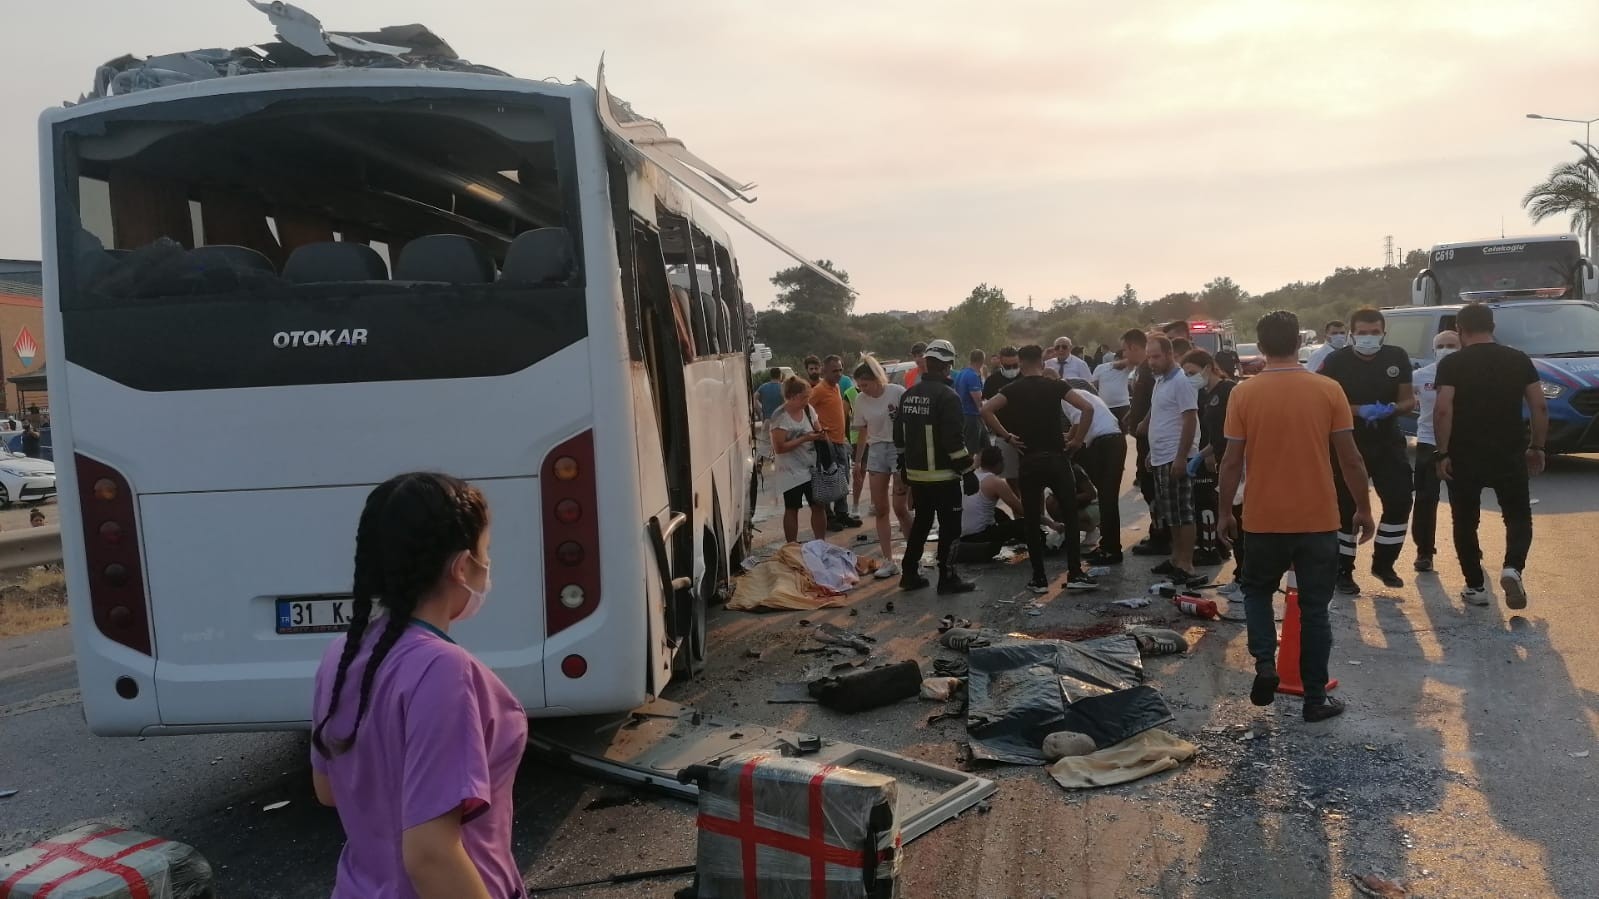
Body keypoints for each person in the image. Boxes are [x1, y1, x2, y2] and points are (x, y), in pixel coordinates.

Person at [311, 472, 526, 898]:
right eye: (485, 552)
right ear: (462, 567)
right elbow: (431, 856)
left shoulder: (342, 653)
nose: (487, 565)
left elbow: (329, 790)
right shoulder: (445, 670)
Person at [1218, 311, 1374, 723]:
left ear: (1262, 345)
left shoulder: (1243, 394)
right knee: (1315, 609)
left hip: (1262, 518)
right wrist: (1363, 507)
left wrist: (1223, 513)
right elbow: (1350, 458)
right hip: (1319, 518)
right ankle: (1314, 698)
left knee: (1255, 591)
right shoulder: (1327, 389)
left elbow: (1231, 461)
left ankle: (1266, 663)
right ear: (1298, 343)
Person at [1434, 302, 1547, 609]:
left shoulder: (1453, 364)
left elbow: (1444, 409)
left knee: (1465, 520)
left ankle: (1475, 587)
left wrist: (1442, 452)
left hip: (1464, 453)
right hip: (1509, 452)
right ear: (1493, 327)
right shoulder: (1518, 359)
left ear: (1460, 329)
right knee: (1518, 516)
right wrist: (1537, 446)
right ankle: (1513, 567)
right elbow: (1539, 406)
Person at [981, 344, 1099, 594]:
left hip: (1030, 460)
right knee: (1068, 511)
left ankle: (1039, 578)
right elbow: (1088, 408)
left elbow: (986, 410)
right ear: (1042, 363)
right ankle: (1075, 572)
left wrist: (1007, 436)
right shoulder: (1056, 386)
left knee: (1032, 519)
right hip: (1057, 458)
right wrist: (1077, 441)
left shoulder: (1012, 389)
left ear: (1022, 364)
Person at [1319, 307, 1415, 593]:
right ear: (1352, 334)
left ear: (1384, 334)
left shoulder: (1397, 357)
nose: (1369, 338)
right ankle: (1343, 571)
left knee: (1399, 500)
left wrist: (1392, 409)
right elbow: (1325, 405)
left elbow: (1409, 401)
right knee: (1346, 508)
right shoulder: (1335, 361)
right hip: (1347, 441)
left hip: (1387, 439)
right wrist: (1360, 410)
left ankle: (1384, 564)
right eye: (1362, 333)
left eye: (1375, 333)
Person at [895, 339, 976, 594]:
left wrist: (903, 467)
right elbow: (954, 441)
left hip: (917, 477)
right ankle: (948, 578)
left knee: (922, 523)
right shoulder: (948, 397)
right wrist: (968, 471)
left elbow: (899, 436)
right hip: (944, 477)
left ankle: (909, 573)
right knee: (951, 528)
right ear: (946, 366)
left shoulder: (908, 395)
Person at [1138, 336, 1204, 587]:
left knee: (1183, 512)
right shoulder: (1160, 383)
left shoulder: (1180, 382)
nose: (1151, 361)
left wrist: (1180, 457)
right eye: (1149, 357)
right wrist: (1151, 454)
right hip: (1161, 456)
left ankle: (1186, 565)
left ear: (1169, 354)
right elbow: (1161, 419)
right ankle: (1176, 559)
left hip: (1177, 457)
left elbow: (1190, 420)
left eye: (1155, 356)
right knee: (1171, 513)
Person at [851, 359, 912, 579]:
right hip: (876, 451)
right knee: (881, 509)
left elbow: (911, 423)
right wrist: (858, 461)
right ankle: (888, 560)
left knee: (901, 508)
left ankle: (913, 557)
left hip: (899, 449)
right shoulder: (860, 400)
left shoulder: (897, 392)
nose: (861, 389)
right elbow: (862, 432)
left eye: (865, 384)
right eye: (859, 385)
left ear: (876, 380)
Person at [1408, 330, 1460, 574]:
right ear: (1433, 349)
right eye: (1441, 345)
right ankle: (1424, 552)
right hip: (1428, 442)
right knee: (1426, 499)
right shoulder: (1419, 377)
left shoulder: (1469, 375)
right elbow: (1405, 401)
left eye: (1452, 345)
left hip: (1460, 444)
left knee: (1463, 501)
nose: (1446, 349)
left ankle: (1469, 548)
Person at [1063, 378, 1127, 564]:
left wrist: (1074, 442)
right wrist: (1070, 437)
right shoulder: (1082, 394)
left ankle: (1112, 551)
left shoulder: (1066, 397)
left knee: (1108, 499)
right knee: (1106, 498)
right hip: (1111, 440)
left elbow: (1082, 417)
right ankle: (1107, 545)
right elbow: (1077, 424)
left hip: (1106, 443)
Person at [1183, 350, 1235, 568]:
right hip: (1212, 453)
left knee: (1212, 504)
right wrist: (1203, 453)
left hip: (1230, 459)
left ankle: (1212, 549)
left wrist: (1209, 454)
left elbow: (1230, 433)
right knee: (1209, 502)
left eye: (1191, 372)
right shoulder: (1205, 393)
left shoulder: (1228, 390)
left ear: (1207, 367)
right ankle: (1218, 547)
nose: (1188, 378)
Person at [1121, 330, 1167, 556]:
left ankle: (1161, 536)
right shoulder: (1142, 370)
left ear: (1132, 347)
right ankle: (1158, 530)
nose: (1123, 354)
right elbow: (1144, 398)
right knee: (1148, 486)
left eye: (1124, 349)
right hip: (1143, 436)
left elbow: (1159, 399)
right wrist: (1132, 413)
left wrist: (1146, 421)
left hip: (1152, 437)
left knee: (1153, 488)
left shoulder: (1151, 370)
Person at [769, 376, 830, 543]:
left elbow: (816, 429)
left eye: (807, 396)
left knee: (818, 505)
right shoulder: (780, 416)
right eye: (804, 397)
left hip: (811, 466)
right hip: (789, 470)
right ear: (792, 396)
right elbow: (779, 448)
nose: (807, 400)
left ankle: (820, 542)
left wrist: (821, 434)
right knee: (792, 507)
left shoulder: (808, 409)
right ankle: (792, 545)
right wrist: (805, 439)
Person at [812, 355, 862, 530]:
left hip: (840, 442)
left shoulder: (836, 387)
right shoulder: (819, 390)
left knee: (842, 480)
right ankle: (829, 517)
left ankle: (842, 513)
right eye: (835, 371)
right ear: (824, 371)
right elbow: (807, 409)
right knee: (828, 480)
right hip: (826, 443)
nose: (839, 374)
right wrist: (818, 432)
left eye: (841, 370)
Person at [958, 445, 1031, 560]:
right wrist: (1050, 523)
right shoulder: (995, 482)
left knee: (997, 512)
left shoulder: (972, 476)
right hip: (979, 538)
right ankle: (1045, 542)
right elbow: (1022, 511)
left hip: (961, 536)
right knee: (1020, 524)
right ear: (999, 463)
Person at [981, 347, 1024, 488]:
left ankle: (1037, 510)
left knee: (1034, 478)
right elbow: (986, 407)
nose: (1012, 369)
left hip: (1027, 434)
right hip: (1004, 435)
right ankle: (1019, 509)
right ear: (1000, 362)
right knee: (1011, 477)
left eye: (1015, 365)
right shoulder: (992, 381)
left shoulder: (1025, 377)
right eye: (1007, 366)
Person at [953, 349, 989, 455]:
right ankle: (972, 470)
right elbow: (978, 400)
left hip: (964, 413)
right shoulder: (972, 376)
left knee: (986, 446)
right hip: (972, 416)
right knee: (973, 450)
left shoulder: (961, 373)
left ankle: (984, 468)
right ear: (982, 361)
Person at [1091, 351, 1133, 424]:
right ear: (1116, 358)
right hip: (1105, 407)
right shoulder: (1100, 368)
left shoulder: (1126, 369)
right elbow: (1093, 387)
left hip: (1123, 406)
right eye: (1124, 359)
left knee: (1126, 432)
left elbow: (1133, 361)